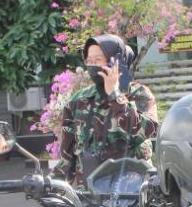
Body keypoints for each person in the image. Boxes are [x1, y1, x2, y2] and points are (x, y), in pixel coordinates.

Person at [53, 34, 158, 185]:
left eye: (98, 61)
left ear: (115, 62)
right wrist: (58, 191)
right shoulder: (78, 101)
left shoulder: (139, 94)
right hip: (90, 195)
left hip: (132, 192)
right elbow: (68, 154)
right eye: (89, 61)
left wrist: (115, 96)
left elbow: (141, 131)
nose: (93, 66)